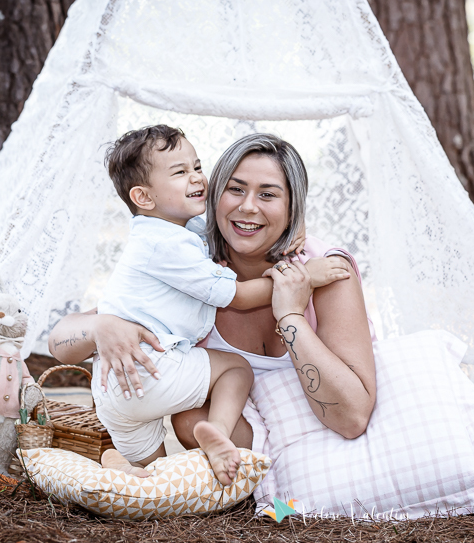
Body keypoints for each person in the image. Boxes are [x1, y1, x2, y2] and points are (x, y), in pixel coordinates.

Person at [50, 133, 377, 459]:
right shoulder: (192, 265)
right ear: (215, 195)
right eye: (235, 189)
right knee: (189, 419)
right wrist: (100, 328)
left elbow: (352, 418)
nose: (248, 206)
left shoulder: (325, 270)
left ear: (293, 206)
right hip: (255, 445)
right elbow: (60, 343)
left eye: (268, 195)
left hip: (328, 432)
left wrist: (291, 316)